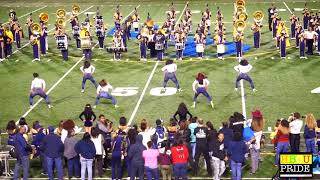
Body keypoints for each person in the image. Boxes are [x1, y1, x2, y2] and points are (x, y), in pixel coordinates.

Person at [249, 110, 264, 174]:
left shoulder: (252, 123)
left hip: (253, 144)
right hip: (258, 144)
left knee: (253, 158)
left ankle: (253, 170)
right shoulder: (261, 122)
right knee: (256, 156)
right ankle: (256, 167)